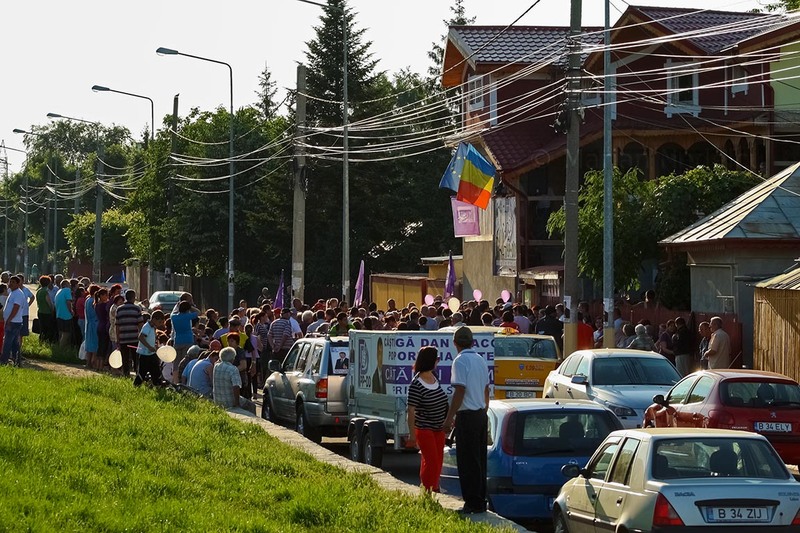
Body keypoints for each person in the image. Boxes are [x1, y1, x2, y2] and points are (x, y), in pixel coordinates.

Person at [444, 326, 489, 514]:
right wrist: (484, 409)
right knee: (479, 460)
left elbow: (460, 390)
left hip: (467, 415)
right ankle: (480, 500)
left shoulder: (460, 361)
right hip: (480, 414)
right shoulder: (480, 359)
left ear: (455, 343)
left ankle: (472, 502)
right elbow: (486, 389)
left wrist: (449, 417)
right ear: (472, 342)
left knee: (467, 461)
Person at [406, 346, 449, 492]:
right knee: (431, 461)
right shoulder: (416, 384)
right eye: (437, 359)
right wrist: (412, 435)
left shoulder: (434, 378)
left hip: (439, 428)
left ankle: (431, 487)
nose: (438, 362)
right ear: (430, 360)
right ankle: (430, 490)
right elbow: (411, 410)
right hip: (424, 428)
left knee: (438, 461)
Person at [213, 346, 256, 414]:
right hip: (229, 401)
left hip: (218, 400)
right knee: (251, 406)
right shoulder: (233, 369)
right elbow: (236, 387)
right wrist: (237, 403)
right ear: (233, 358)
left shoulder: (216, 366)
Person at [115, 289, 143, 378]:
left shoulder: (119, 309)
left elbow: (117, 326)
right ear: (133, 298)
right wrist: (142, 337)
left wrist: (118, 339)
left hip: (123, 338)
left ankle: (126, 375)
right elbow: (140, 324)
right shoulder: (136, 308)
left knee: (125, 358)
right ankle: (137, 374)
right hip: (134, 338)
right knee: (136, 358)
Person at [135, 310, 166, 387]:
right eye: (159, 322)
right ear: (154, 319)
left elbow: (151, 338)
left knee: (156, 369)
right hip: (144, 354)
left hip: (151, 353)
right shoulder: (147, 326)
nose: (160, 324)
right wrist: (149, 347)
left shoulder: (153, 327)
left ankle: (157, 383)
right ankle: (136, 385)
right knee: (142, 372)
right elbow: (141, 337)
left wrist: (155, 346)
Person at [1, 276, 26, 365]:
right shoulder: (12, 292)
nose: (10, 283)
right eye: (10, 281)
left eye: (13, 282)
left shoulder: (18, 294)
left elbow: (16, 307)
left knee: (7, 342)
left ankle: (3, 360)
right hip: (13, 321)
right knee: (15, 343)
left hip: (14, 322)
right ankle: (17, 361)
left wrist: (9, 319)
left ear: (18, 284)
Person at [35, 276, 55, 344]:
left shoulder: (39, 291)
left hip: (40, 311)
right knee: (48, 329)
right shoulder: (45, 292)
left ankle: (41, 341)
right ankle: (47, 342)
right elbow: (49, 303)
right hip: (47, 313)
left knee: (42, 329)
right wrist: (52, 310)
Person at [54, 279, 74, 347]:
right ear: (66, 285)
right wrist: (71, 311)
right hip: (66, 315)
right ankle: (61, 348)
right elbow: (68, 302)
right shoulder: (67, 290)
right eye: (69, 284)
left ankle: (60, 347)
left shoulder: (59, 291)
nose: (70, 286)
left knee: (61, 332)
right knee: (67, 333)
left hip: (59, 315)